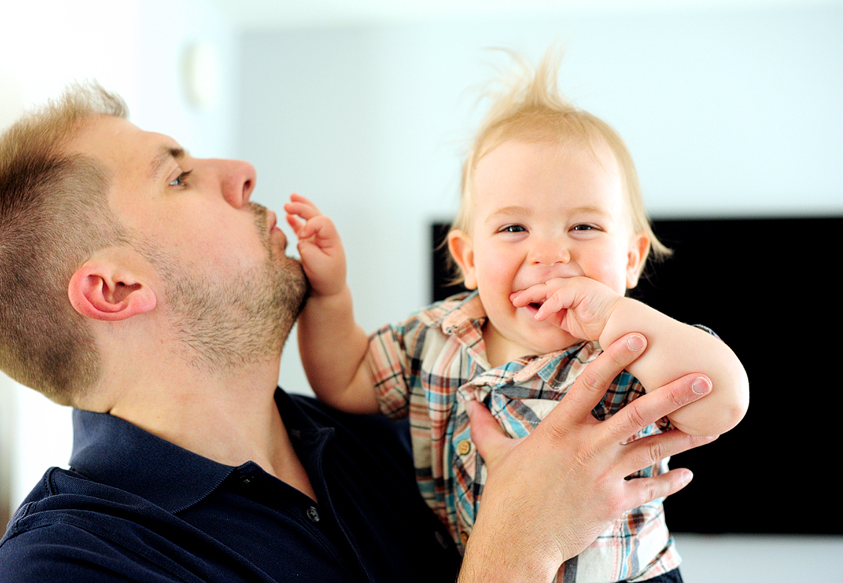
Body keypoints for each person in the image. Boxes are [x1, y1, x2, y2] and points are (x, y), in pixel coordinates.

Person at [0, 83, 716, 583]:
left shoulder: (386, 437)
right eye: (177, 176)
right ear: (114, 288)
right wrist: (517, 545)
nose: (240, 171)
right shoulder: (67, 568)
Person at [285, 53, 748, 582]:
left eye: (583, 227)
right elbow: (344, 379)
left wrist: (618, 319)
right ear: (468, 258)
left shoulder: (636, 346)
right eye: (513, 229)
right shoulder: (435, 336)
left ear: (631, 258)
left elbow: (723, 402)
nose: (549, 253)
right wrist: (330, 294)